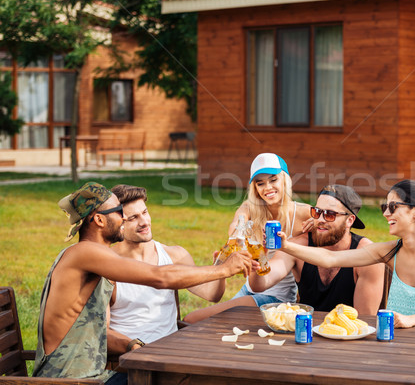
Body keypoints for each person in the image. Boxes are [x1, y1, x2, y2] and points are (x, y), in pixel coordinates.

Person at [33, 182, 252, 383]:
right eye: (120, 214)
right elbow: (160, 277)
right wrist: (225, 268)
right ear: (99, 220)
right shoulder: (86, 253)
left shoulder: (90, 255)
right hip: (70, 379)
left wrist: (132, 345)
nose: (126, 220)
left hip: (90, 375)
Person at [277, 179, 415, 328]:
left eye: (393, 207)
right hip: (394, 340)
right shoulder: (388, 251)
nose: (385, 214)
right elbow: (330, 258)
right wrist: (286, 245)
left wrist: (412, 320)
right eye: (385, 207)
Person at [184, 153, 312, 322]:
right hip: (250, 289)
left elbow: (333, 224)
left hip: (276, 299)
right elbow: (235, 228)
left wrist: (317, 224)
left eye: (273, 180)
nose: (267, 188)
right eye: (260, 183)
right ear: (255, 189)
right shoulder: (250, 209)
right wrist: (241, 231)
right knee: (193, 320)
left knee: (193, 319)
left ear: (285, 180)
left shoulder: (303, 213)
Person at [107, 184, 227, 355]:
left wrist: (221, 266)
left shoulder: (175, 255)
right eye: (133, 218)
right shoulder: (106, 266)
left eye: (145, 212)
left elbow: (212, 294)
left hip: (173, 355)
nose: (144, 222)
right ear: (118, 223)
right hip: (131, 361)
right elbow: (101, 333)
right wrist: (137, 349)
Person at [248, 184, 385, 315]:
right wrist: (259, 256)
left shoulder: (367, 256)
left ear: (350, 220)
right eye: (317, 212)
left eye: (329, 214)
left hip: (347, 335)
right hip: (305, 332)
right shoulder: (298, 245)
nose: (320, 219)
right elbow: (260, 285)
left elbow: (365, 319)